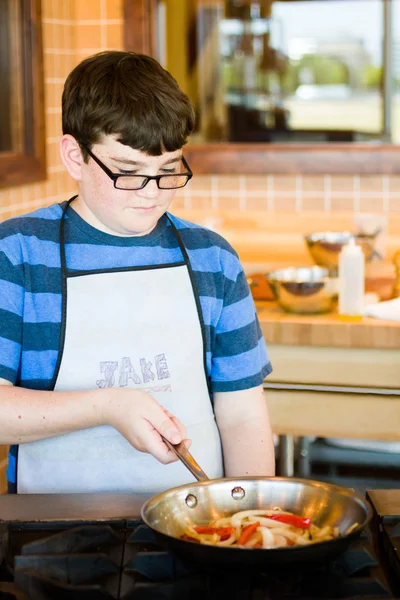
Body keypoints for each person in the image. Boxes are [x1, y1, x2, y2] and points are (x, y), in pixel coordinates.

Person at [0, 51, 275, 495]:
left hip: (199, 526)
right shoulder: (18, 255)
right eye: (128, 173)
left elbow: (242, 416)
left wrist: (250, 522)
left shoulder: (212, 258)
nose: (151, 195)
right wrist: (108, 406)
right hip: (52, 538)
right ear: (75, 156)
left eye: (168, 171)